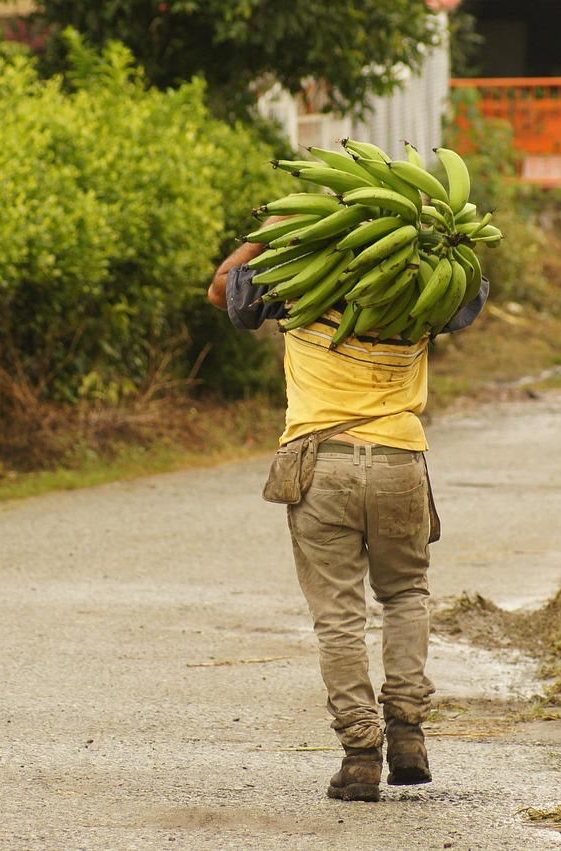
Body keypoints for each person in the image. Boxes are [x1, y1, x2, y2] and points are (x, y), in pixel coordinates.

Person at [207, 230, 488, 803]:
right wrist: (433, 236)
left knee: (338, 616)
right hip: (399, 462)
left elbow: (220, 290)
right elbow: (473, 292)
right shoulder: (420, 291)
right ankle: (407, 733)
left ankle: (361, 754)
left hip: (320, 464)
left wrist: (263, 237)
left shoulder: (296, 283)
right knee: (405, 594)